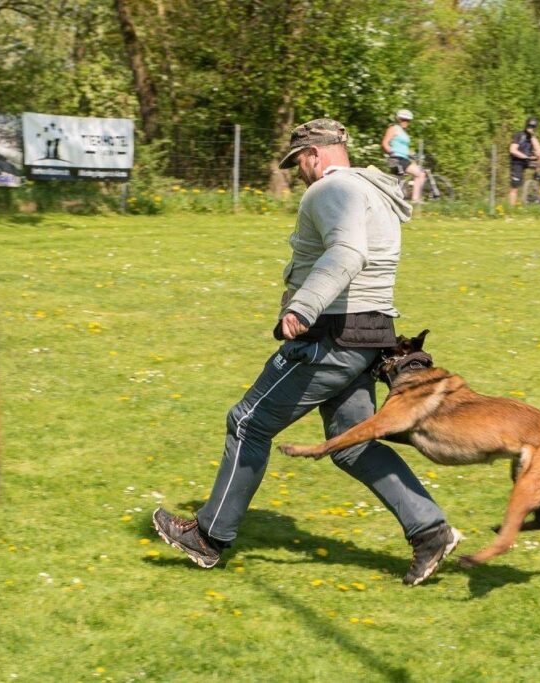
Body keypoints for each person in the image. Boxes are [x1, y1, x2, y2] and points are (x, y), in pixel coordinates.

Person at [153, 118, 462, 586]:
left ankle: (209, 537)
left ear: (315, 154)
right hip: (371, 333)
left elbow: (347, 252)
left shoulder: (330, 191)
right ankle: (430, 530)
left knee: (248, 422)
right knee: (351, 445)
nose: (298, 171)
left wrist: (302, 306)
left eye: (298, 161)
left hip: (331, 333)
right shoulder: (374, 190)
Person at [381, 109, 425, 203]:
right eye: (403, 119)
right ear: (398, 119)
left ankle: (391, 198)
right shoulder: (393, 128)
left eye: (407, 120)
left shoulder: (404, 132)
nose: (405, 122)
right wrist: (392, 153)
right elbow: (384, 143)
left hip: (404, 158)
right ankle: (415, 199)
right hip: (397, 158)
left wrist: (412, 154)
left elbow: (403, 147)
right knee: (420, 174)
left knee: (397, 181)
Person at [508, 116, 540, 206]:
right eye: (530, 126)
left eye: (534, 127)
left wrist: (534, 140)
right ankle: (511, 210)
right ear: (526, 125)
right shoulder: (519, 135)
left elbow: (539, 150)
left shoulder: (532, 138)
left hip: (528, 160)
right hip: (517, 162)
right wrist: (525, 156)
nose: (531, 128)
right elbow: (512, 150)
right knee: (514, 187)